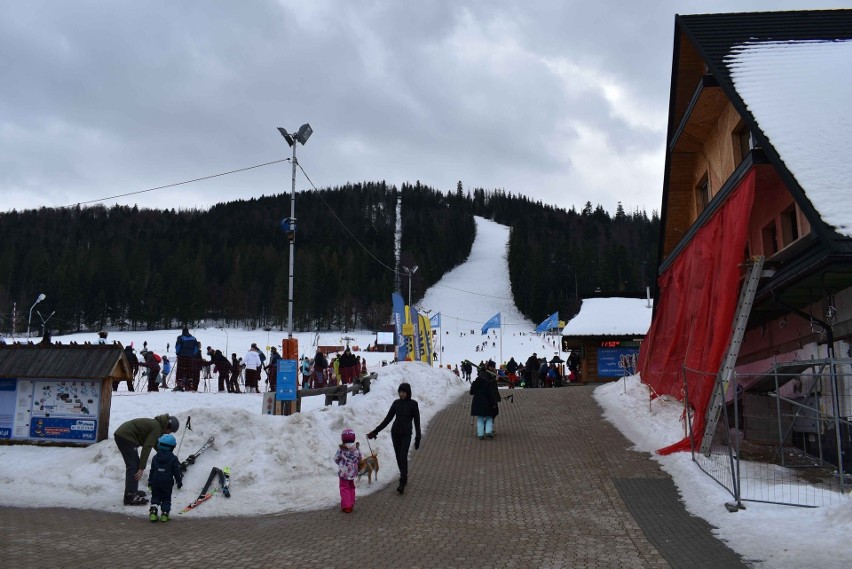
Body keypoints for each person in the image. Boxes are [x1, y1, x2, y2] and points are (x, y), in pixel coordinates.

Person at [367, 382, 421, 494]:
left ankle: (403, 480)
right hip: (395, 433)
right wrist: (375, 431)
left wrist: (418, 436)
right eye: (400, 392)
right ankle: (403, 475)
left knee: (403, 456)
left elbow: (417, 422)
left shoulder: (413, 404)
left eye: (404, 392)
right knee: (398, 457)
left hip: (406, 434)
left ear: (408, 393)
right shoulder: (396, 403)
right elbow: (388, 419)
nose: (402, 394)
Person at [114, 414, 179, 506]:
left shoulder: (157, 425)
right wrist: (141, 468)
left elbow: (155, 444)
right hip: (125, 436)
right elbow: (147, 446)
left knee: (134, 465)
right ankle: (130, 496)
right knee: (133, 466)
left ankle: (132, 491)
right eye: (170, 431)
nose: (168, 433)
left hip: (125, 435)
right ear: (168, 426)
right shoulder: (157, 428)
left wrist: (167, 456)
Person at [147, 433, 183, 522]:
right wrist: (179, 481)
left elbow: (152, 470)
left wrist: (150, 481)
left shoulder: (155, 457)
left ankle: (153, 513)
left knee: (155, 497)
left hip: (155, 481)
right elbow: (176, 471)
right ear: (172, 447)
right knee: (166, 498)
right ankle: (164, 514)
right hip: (167, 482)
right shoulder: (173, 459)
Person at [334, 428, 362, 513]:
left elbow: (336, 458)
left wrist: (340, 463)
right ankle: (351, 502)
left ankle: (347, 506)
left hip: (343, 473)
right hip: (352, 472)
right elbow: (360, 458)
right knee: (351, 487)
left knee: (344, 488)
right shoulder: (356, 449)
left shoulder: (341, 449)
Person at [470, 362, 500, 440]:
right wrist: (494, 402)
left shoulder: (476, 382)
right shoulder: (487, 383)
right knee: (489, 417)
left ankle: (480, 434)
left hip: (477, 402)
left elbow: (471, 392)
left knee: (480, 418)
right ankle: (488, 431)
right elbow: (490, 392)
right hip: (488, 402)